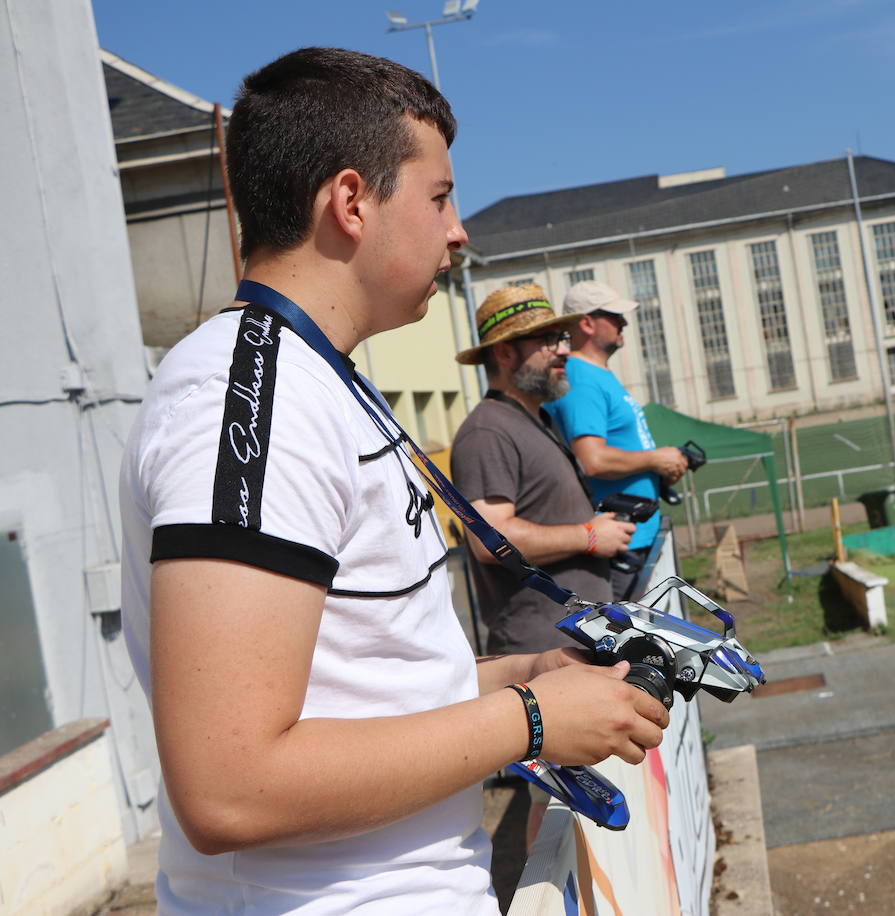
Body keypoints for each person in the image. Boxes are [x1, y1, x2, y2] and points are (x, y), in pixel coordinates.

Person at [118, 48, 666, 914]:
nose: (459, 231)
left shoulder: (318, 382)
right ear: (350, 203)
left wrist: (532, 670)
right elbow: (229, 784)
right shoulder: (248, 401)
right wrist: (528, 717)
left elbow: (370, 685)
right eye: (440, 197)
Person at [450, 283, 634, 655]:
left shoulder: (539, 418)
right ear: (504, 352)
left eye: (562, 337)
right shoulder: (487, 431)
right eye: (548, 340)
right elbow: (491, 539)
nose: (564, 349)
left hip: (576, 645)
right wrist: (590, 537)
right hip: (540, 655)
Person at [545, 281, 688, 599]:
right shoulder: (580, 378)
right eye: (615, 316)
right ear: (586, 323)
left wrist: (660, 467)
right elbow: (591, 460)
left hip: (633, 539)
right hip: (621, 547)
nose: (624, 322)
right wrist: (654, 459)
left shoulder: (593, 374)